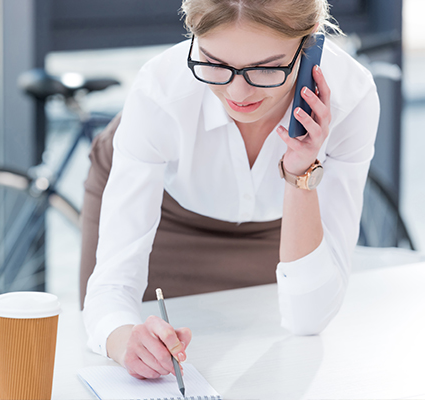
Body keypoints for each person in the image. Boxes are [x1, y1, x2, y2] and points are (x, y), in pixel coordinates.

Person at [80, 0, 379, 380]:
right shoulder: (160, 93)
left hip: (281, 221)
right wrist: (124, 340)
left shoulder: (351, 98)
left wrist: (301, 175)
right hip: (170, 213)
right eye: (214, 63)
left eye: (267, 68)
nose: (238, 93)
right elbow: (110, 287)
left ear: (310, 42)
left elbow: (309, 318)